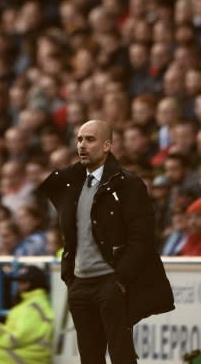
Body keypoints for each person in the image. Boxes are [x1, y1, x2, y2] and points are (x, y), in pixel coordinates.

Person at [38, 119, 174, 364]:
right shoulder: (71, 183)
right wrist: (70, 277)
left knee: (121, 356)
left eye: (90, 139)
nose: (82, 145)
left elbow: (142, 237)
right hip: (79, 284)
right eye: (79, 139)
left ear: (107, 145)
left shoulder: (128, 184)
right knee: (90, 357)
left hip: (110, 283)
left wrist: (120, 278)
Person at [0, 265, 54, 364]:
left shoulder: (34, 306)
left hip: (32, 355)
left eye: (22, 282)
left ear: (30, 284)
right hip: (25, 351)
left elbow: (20, 337)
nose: (18, 286)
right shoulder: (28, 304)